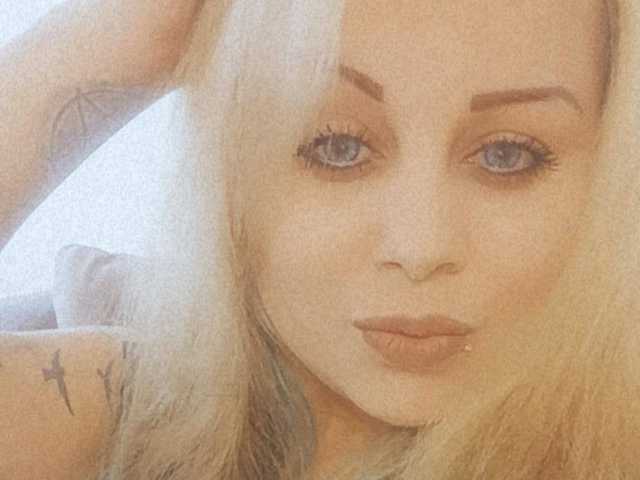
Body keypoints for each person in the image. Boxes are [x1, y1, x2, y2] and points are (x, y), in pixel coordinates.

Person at [2, 0, 640, 479]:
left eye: (507, 155)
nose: (419, 249)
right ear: (232, 169)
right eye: (339, 147)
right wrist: (112, 42)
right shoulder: (138, 404)